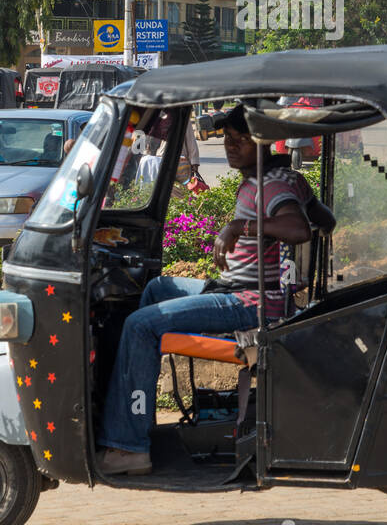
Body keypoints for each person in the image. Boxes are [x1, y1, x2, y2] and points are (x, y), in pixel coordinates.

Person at [96, 104, 317, 476]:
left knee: (139, 326)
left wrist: (238, 229)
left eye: (241, 140)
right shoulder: (281, 176)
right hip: (238, 287)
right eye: (228, 139)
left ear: (262, 142)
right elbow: (321, 218)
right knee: (156, 290)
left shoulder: (272, 184)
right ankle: (136, 420)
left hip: (250, 302)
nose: (231, 147)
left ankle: (129, 448)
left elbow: (299, 229)